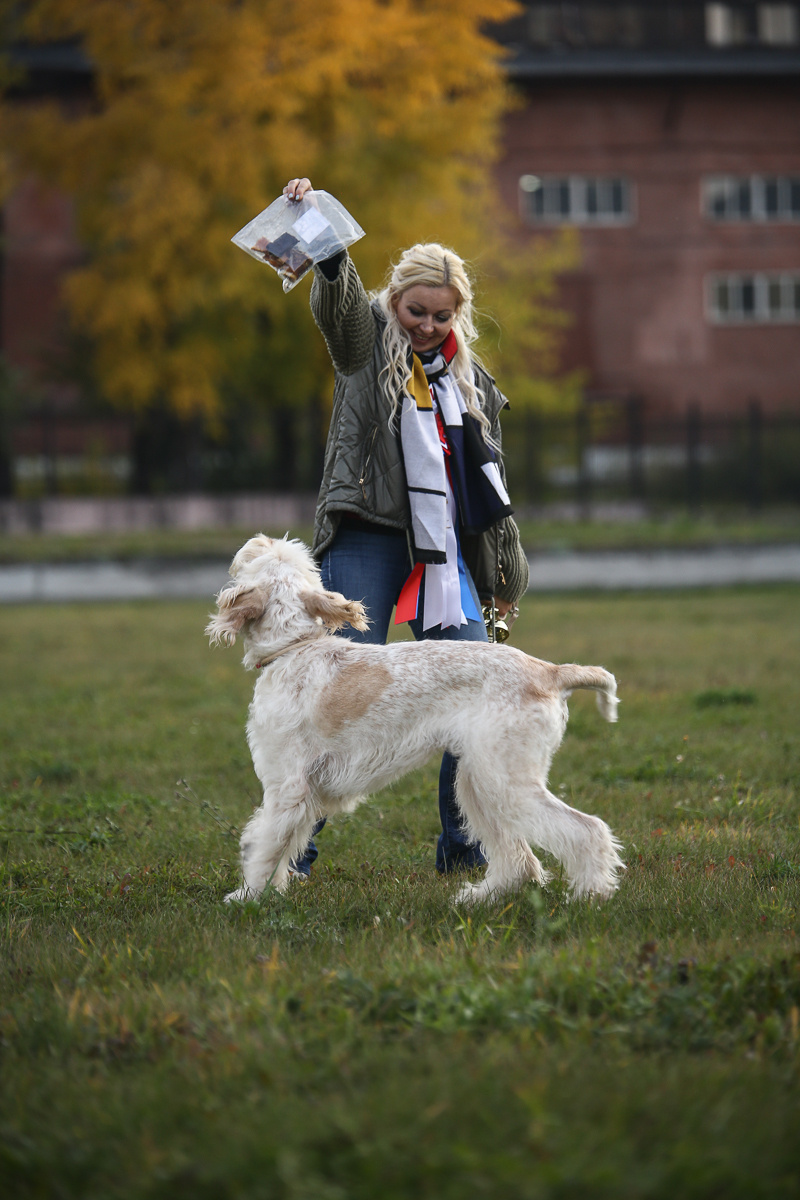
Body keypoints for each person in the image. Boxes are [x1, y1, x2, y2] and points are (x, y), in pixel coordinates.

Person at [283, 177, 529, 878]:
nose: (426, 325)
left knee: (476, 689)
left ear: (459, 314)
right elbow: (336, 301)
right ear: (394, 301)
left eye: (441, 316)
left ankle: (465, 848)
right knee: (334, 697)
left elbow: (490, 489)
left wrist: (506, 573)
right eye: (415, 310)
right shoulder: (365, 346)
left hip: (443, 552)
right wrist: (322, 233)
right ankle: (294, 854)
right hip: (365, 535)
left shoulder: (471, 380)